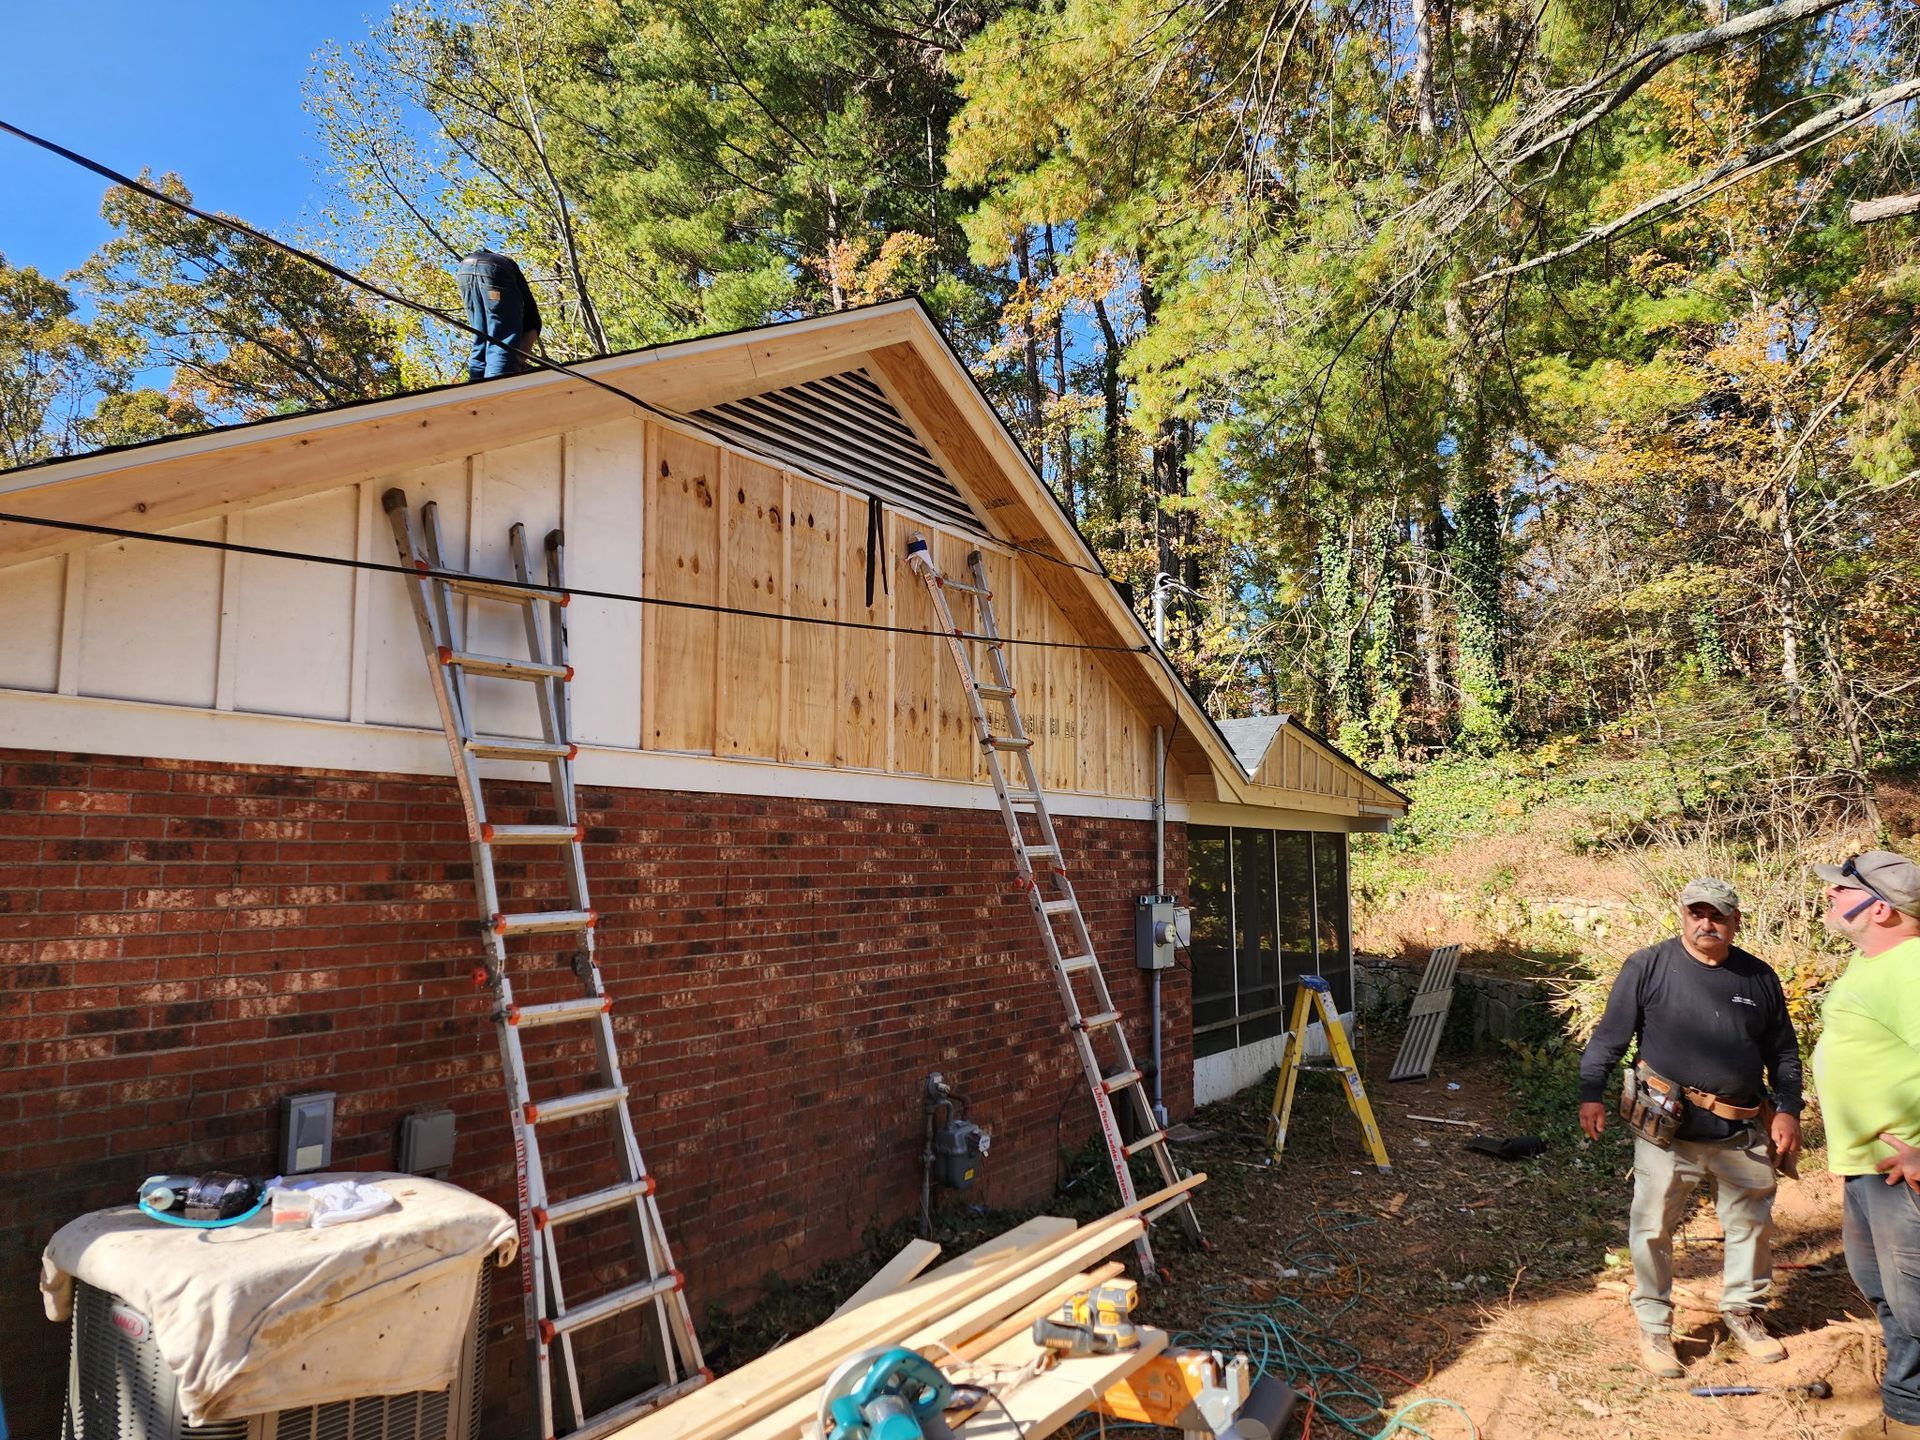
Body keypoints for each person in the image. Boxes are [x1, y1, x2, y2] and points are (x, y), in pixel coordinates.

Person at [1578, 876, 1803, 1377]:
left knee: (1752, 1227)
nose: (1707, 923)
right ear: (1682, 915)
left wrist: (1789, 1108)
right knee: (1652, 1227)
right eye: (1696, 913)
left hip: (1742, 1129)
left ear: (1735, 921)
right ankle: (1656, 1328)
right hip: (1668, 1131)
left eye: (1718, 915)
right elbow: (1610, 1037)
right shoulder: (1648, 966)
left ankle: (1744, 1313)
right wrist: (1590, 1092)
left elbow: (1783, 1051)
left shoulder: (1758, 977)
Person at [1809, 850, 1920, 1440]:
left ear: (1880, 908)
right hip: (1868, 1172)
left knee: (1917, 1309)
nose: (1829, 895)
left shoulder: (1911, 967)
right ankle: (1904, 1417)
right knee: (1889, 1300)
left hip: (1903, 1177)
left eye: (1840, 889)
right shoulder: (1874, 962)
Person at [455, 248, 542, 381]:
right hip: (495, 272)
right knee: (502, 344)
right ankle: (496, 387)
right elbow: (510, 354)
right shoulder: (532, 324)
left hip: (465, 270)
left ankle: (476, 386)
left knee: (481, 339)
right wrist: (513, 364)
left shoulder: (526, 319)